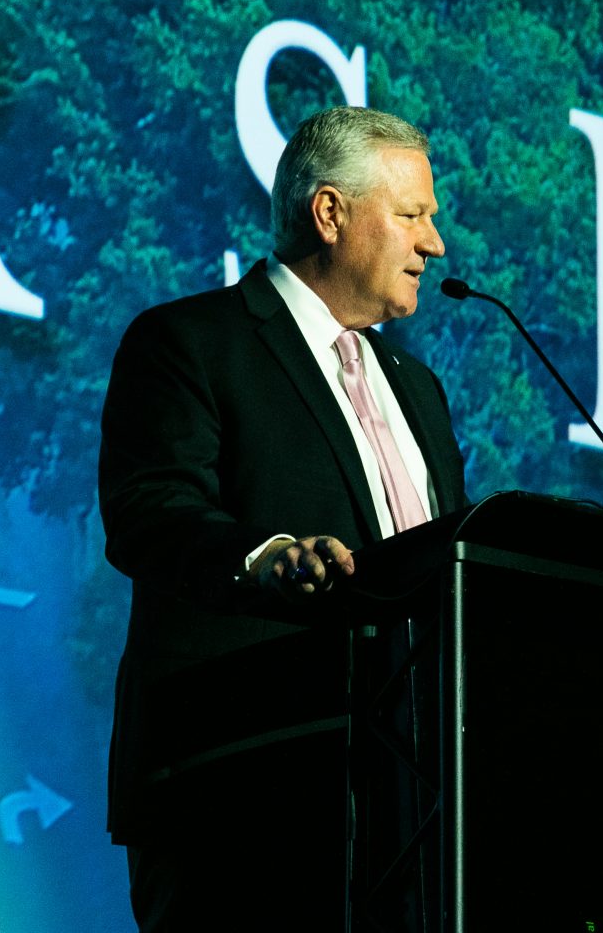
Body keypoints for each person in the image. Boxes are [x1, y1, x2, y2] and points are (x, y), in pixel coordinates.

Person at [98, 106, 468, 930]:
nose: (435, 244)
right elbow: (148, 513)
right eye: (412, 216)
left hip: (413, 808)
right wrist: (265, 558)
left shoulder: (421, 393)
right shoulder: (188, 343)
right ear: (330, 214)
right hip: (239, 797)